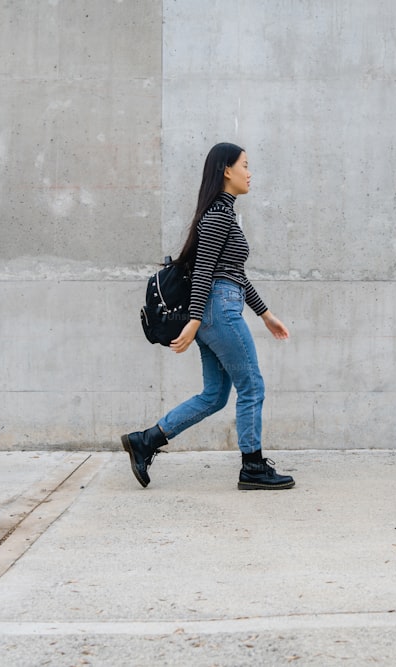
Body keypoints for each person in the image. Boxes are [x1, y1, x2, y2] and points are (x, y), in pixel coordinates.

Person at [122, 142, 295, 491]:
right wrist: (196, 320)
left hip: (219, 307)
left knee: (215, 395)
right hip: (219, 310)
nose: (250, 172)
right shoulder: (218, 215)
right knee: (252, 385)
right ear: (226, 170)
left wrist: (266, 315)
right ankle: (253, 466)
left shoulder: (223, 214)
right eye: (245, 165)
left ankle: (146, 441)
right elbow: (203, 272)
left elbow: (234, 273)